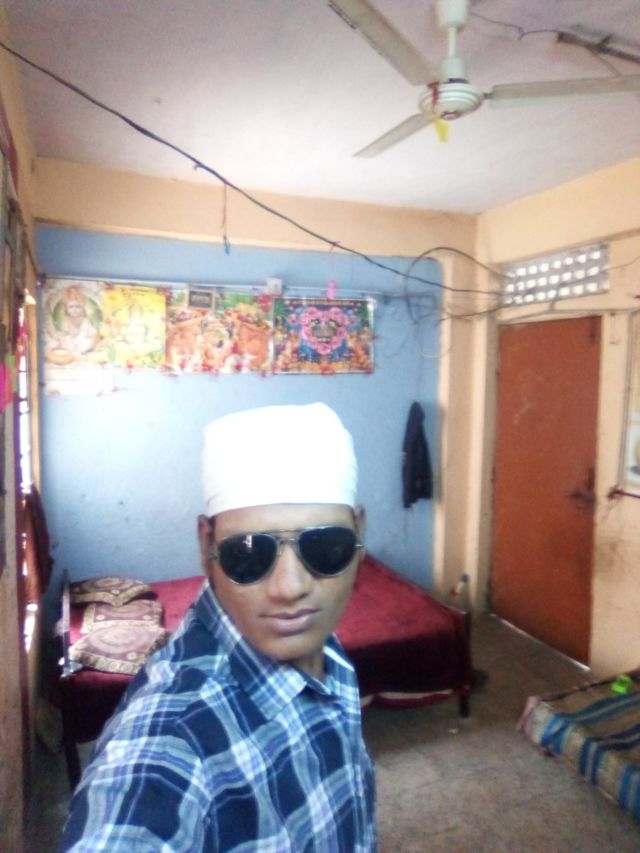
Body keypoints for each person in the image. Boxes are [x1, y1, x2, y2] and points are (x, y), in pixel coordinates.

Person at [61, 402, 377, 852]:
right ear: (206, 543)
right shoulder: (174, 738)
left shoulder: (327, 650)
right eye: (249, 553)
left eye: (326, 548)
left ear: (360, 534)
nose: (291, 588)